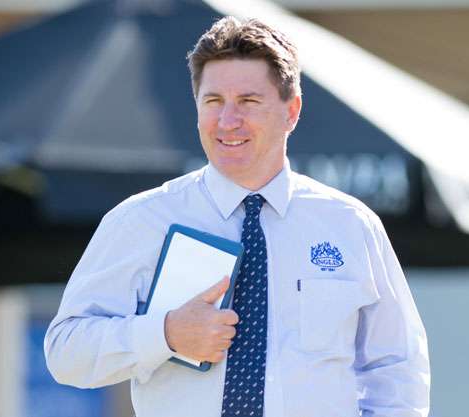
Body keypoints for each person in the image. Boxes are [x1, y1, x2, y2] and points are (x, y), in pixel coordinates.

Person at [45, 16, 430, 417]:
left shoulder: (350, 225)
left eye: (248, 101)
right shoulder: (141, 221)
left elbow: (397, 367)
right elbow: (65, 352)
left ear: (291, 111)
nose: (228, 121)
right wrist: (165, 333)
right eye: (213, 101)